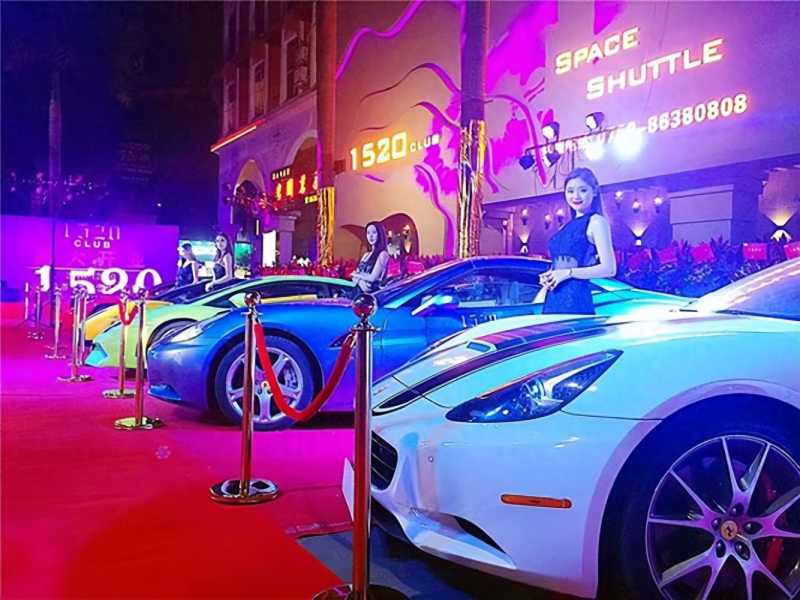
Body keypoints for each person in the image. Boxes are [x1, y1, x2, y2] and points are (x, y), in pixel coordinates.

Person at [540, 167, 616, 314]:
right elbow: (563, 264)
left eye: (583, 190)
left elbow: (609, 269)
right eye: (570, 191)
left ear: (594, 192)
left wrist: (568, 273)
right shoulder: (565, 226)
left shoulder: (596, 222)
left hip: (575, 300)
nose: (576, 196)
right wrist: (550, 275)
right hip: (553, 299)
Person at [351, 221, 390, 293]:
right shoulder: (366, 255)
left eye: (374, 232)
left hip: (371, 294)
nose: (370, 236)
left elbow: (373, 278)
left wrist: (357, 276)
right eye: (368, 233)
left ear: (380, 234)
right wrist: (360, 280)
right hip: (358, 289)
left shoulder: (383, 254)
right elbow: (355, 275)